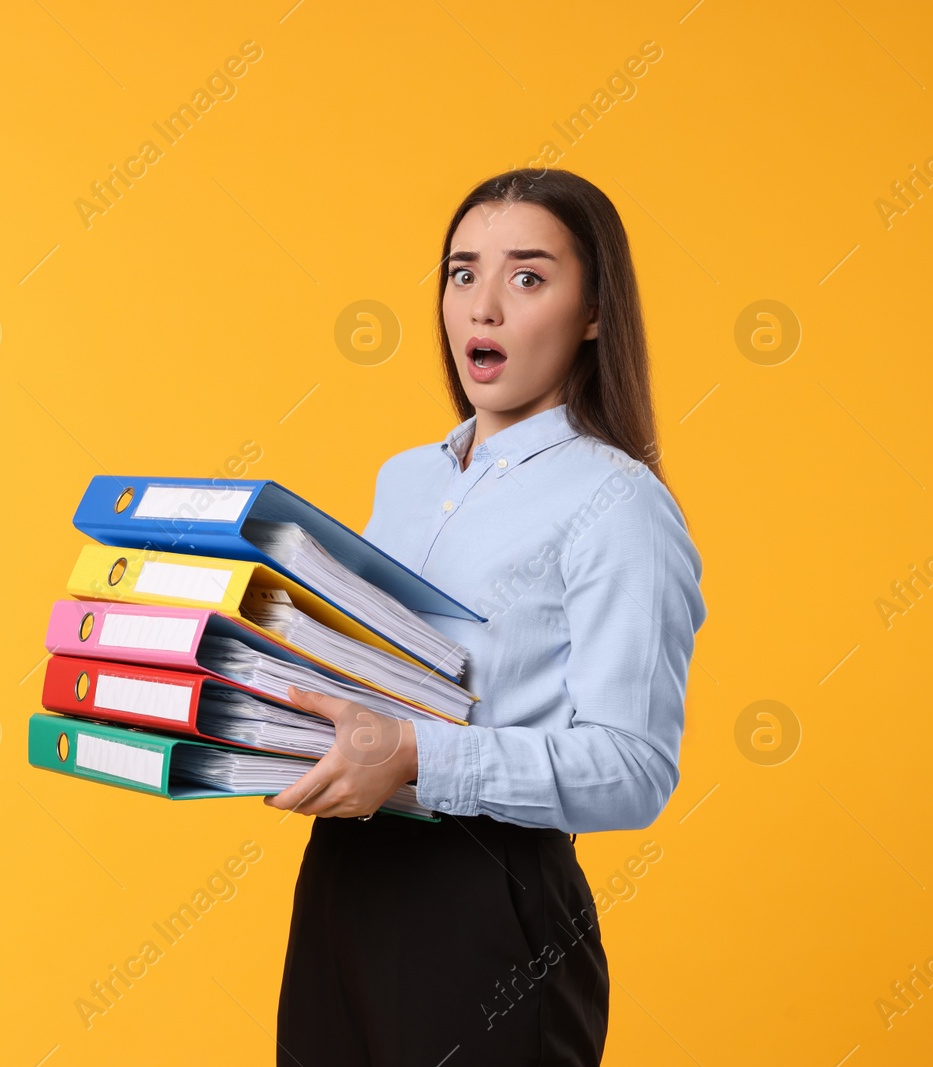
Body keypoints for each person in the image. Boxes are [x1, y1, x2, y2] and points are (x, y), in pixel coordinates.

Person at [264, 168, 706, 1065]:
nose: (484, 308)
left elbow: (634, 767)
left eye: (528, 276)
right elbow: (377, 679)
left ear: (593, 313)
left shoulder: (620, 502)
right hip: (344, 881)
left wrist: (418, 754)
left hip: (492, 904)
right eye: (463, 274)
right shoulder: (407, 479)